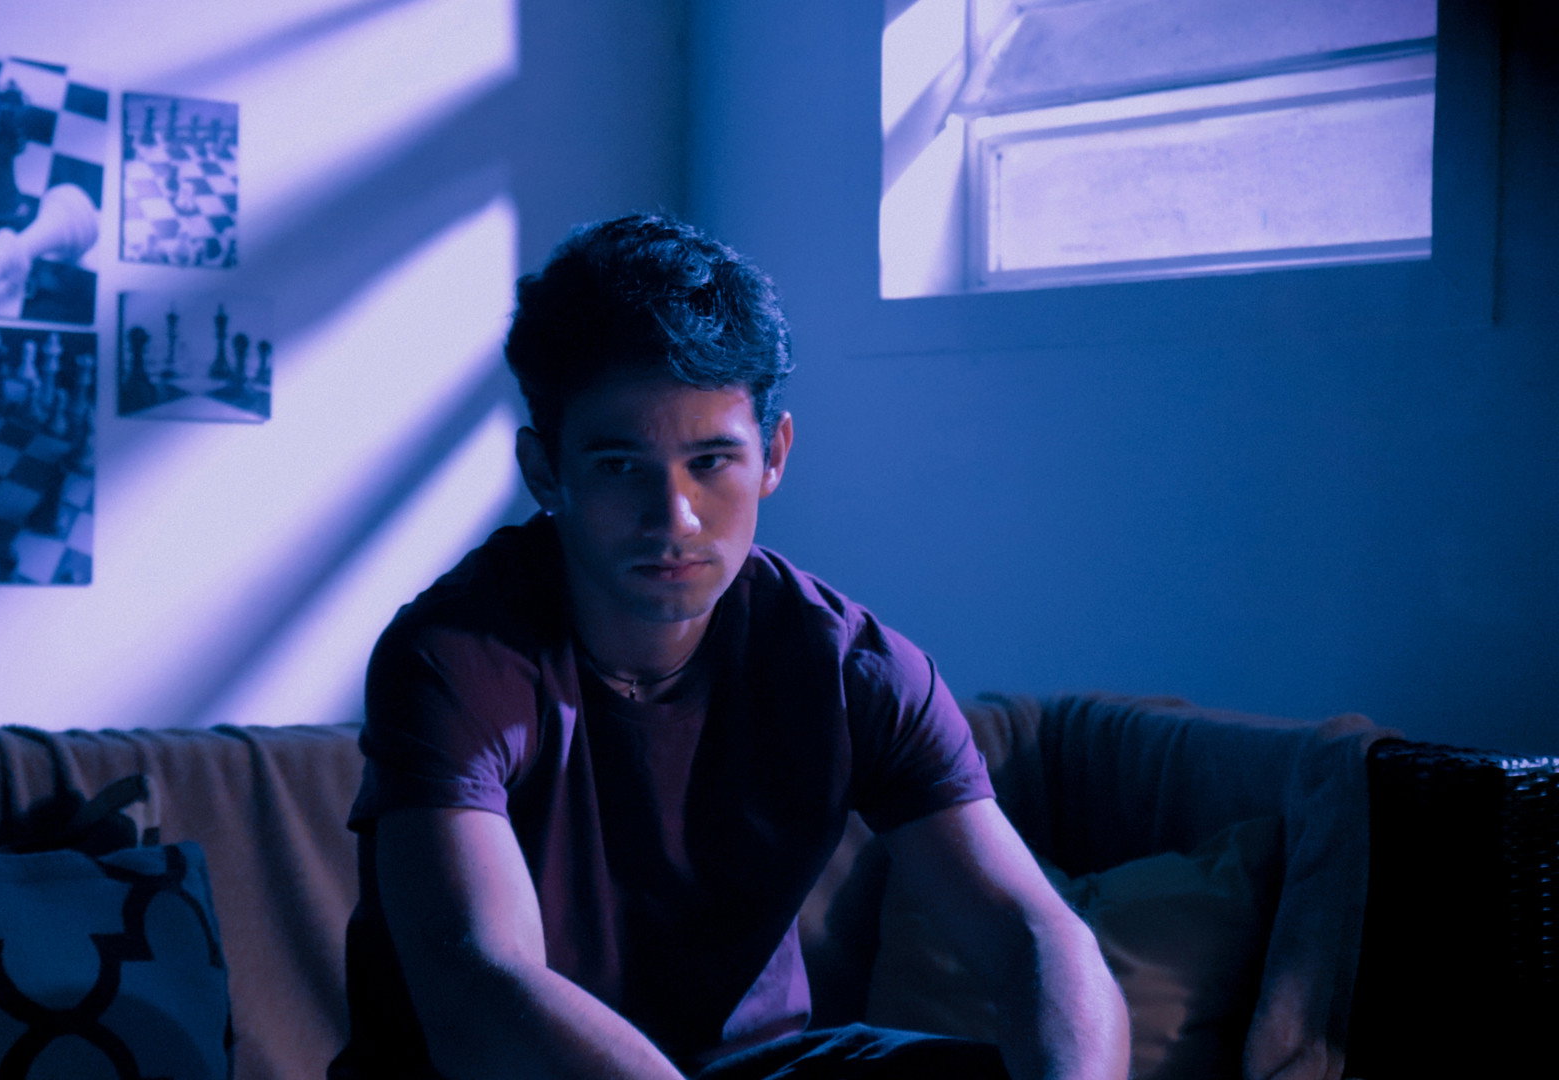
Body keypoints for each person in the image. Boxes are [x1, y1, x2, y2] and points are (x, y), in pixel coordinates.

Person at [329, 214, 1128, 1079]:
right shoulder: (454, 657)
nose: (674, 518)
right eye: (619, 465)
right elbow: (482, 989)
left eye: (711, 461)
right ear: (546, 471)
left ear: (773, 455)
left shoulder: (851, 668)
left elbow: (1035, 934)